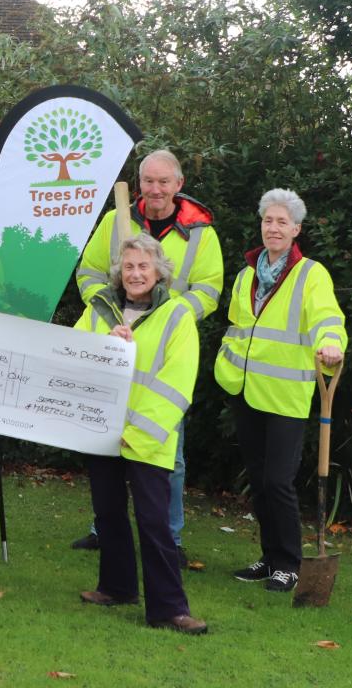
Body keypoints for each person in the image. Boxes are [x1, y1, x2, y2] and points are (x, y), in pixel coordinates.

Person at [71, 150, 223, 564]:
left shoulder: (200, 233)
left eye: (163, 182)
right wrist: (107, 310)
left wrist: (169, 316)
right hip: (113, 343)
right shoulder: (114, 221)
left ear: (179, 183)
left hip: (163, 349)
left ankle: (169, 538)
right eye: (148, 181)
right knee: (106, 443)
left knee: (166, 450)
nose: (155, 190)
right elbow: (89, 273)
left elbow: (209, 288)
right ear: (138, 183)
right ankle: (105, 529)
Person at [215, 188, 346, 592]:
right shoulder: (246, 274)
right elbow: (240, 325)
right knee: (258, 479)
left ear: (296, 229)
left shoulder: (311, 274)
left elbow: (327, 316)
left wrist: (331, 343)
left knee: (278, 482)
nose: (273, 228)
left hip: (286, 395)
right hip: (245, 388)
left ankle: (289, 563)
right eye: (268, 221)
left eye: (281, 222)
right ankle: (269, 557)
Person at [77, 234, 207, 635]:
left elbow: (178, 382)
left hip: (148, 437)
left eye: (143, 267)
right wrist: (105, 345)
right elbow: (73, 355)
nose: (135, 274)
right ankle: (116, 587)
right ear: (119, 272)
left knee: (154, 522)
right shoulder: (99, 310)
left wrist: (139, 433)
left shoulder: (177, 315)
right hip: (102, 429)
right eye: (128, 266)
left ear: (158, 272)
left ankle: (169, 608)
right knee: (109, 514)